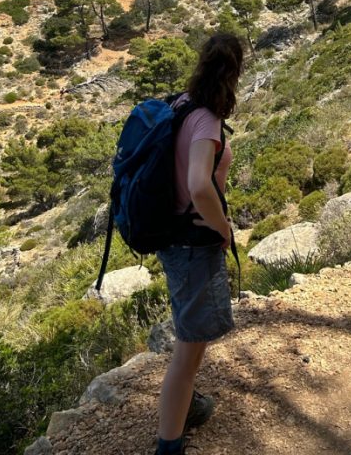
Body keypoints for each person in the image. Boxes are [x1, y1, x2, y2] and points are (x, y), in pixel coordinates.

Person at [154, 32, 244, 455]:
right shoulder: (207, 119)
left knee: (190, 339)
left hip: (173, 236)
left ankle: (187, 407)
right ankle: (169, 444)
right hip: (192, 240)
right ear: (233, 72)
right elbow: (199, 186)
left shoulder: (180, 104)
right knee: (188, 352)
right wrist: (224, 228)